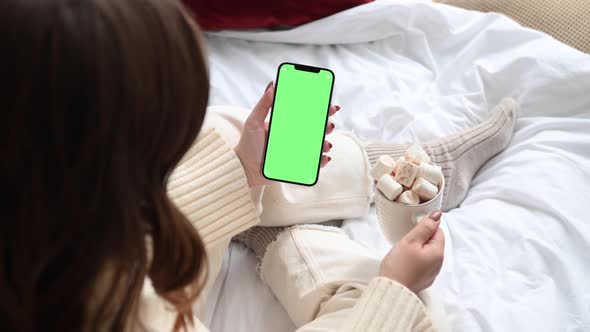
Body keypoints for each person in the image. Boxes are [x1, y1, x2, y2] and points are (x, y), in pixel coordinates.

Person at [0, 0, 518, 331]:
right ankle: (280, 237)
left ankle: (382, 172)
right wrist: (396, 289)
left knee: (225, 137)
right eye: (161, 151)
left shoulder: (35, 208)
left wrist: (244, 171)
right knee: (412, 314)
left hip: (114, 251)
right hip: (135, 278)